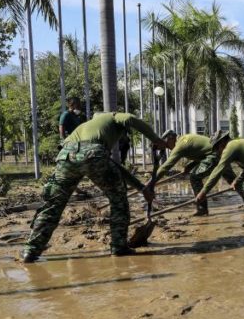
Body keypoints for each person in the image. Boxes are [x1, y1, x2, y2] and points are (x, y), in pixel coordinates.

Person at [21, 112, 166, 263]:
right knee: (118, 200)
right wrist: (156, 139)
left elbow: (113, 167)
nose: (122, 137)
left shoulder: (89, 127)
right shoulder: (114, 117)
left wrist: (142, 188)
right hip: (93, 155)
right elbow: (129, 119)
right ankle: (118, 247)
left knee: (52, 206)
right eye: (124, 133)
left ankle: (30, 251)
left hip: (66, 156)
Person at [146, 130, 243, 216]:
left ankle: (202, 208)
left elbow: (166, 167)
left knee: (194, 177)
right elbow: (202, 154)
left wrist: (151, 182)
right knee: (233, 181)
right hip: (219, 154)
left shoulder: (181, 144)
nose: (168, 148)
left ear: (171, 138)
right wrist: (189, 166)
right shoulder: (185, 139)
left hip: (214, 155)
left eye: (167, 145)